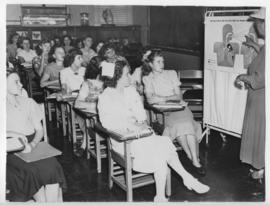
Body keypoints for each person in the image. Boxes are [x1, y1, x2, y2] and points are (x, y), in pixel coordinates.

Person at [98, 60, 209, 202]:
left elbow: (142, 116)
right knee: (161, 151)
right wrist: (132, 124)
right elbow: (108, 124)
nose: (131, 78)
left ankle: (171, 190)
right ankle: (181, 183)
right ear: (116, 77)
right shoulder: (105, 97)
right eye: (127, 74)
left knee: (163, 142)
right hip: (124, 140)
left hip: (141, 135)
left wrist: (137, 122)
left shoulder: (130, 91)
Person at [142, 49, 205, 176]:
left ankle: (194, 159)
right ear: (150, 64)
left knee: (185, 122)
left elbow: (179, 97)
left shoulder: (171, 73)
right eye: (158, 61)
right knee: (180, 126)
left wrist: (162, 98)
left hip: (180, 108)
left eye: (163, 61)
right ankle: (193, 158)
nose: (162, 64)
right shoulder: (147, 78)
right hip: (164, 112)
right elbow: (149, 99)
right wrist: (167, 97)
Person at [6, 72, 66, 202]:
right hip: (10, 149)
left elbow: (39, 131)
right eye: (16, 82)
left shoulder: (28, 102)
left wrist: (32, 144)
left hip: (32, 145)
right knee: (31, 171)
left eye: (20, 81)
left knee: (53, 167)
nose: (21, 84)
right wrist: (13, 134)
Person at [235, 8, 265, 180]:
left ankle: (261, 169)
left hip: (262, 103)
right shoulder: (266, 47)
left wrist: (242, 77)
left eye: (258, 22)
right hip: (261, 100)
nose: (256, 26)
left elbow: (259, 79)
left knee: (261, 136)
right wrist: (256, 46)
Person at [74, 62, 103, 157]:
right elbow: (77, 103)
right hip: (94, 115)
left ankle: (83, 145)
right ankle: (84, 144)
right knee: (92, 120)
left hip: (109, 116)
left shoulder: (110, 83)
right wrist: (96, 106)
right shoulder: (87, 83)